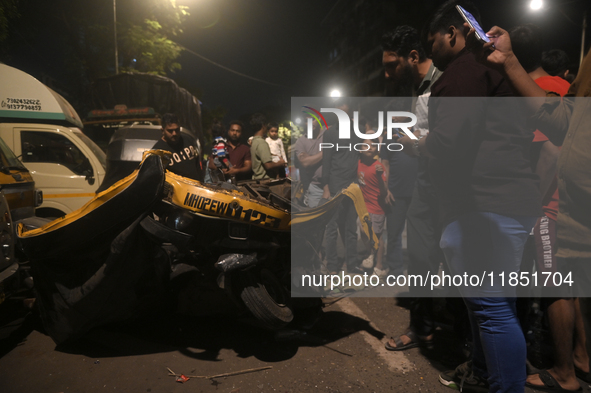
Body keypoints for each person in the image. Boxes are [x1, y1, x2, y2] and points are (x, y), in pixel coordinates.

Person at [397, 2, 542, 391]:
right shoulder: (490, 69)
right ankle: (482, 374)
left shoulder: (461, 74)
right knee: (494, 307)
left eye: (432, 42)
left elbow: (449, 144)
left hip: (484, 206)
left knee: (492, 310)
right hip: (507, 202)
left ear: (452, 33)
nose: (431, 52)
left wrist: (418, 146)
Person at [468, 19, 591, 393]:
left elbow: (548, 152)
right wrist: (508, 62)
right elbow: (564, 124)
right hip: (569, 212)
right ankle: (579, 363)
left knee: (554, 286)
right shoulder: (582, 69)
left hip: (550, 207)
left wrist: (537, 204)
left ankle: (565, 371)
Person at [379, 25, 449, 352]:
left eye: (392, 64)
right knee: (419, 258)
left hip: (449, 188)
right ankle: (421, 327)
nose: (387, 72)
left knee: (450, 261)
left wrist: (413, 144)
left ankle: (450, 332)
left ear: (413, 56)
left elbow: (448, 139)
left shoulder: (444, 83)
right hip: (425, 184)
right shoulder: (416, 88)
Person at [321, 100, 364, 275]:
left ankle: (352, 265)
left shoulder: (358, 132)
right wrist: (325, 187)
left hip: (353, 186)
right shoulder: (330, 134)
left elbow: (366, 151)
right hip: (334, 186)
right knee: (331, 229)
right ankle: (332, 265)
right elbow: (326, 161)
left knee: (350, 229)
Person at [357, 136, 387, 277]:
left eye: (373, 145)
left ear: (376, 149)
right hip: (363, 207)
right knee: (363, 233)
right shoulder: (357, 164)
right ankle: (371, 254)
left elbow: (384, 190)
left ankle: (379, 266)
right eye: (365, 145)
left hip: (376, 207)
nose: (369, 148)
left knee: (377, 237)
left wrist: (380, 175)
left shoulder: (378, 166)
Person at [152, 113, 202, 180]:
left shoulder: (188, 139)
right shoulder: (158, 151)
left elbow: (197, 164)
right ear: (162, 131)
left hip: (196, 187)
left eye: (177, 130)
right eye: (170, 131)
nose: (174, 133)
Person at [293, 117, 325, 208]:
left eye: (312, 119)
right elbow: (305, 162)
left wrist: (312, 158)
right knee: (315, 219)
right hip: (315, 187)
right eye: (306, 121)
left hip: (334, 185)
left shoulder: (329, 133)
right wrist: (327, 152)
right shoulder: (301, 141)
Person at [249, 113, 286, 180]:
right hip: (265, 180)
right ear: (263, 126)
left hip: (257, 179)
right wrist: (280, 163)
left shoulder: (254, 141)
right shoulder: (262, 143)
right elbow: (268, 165)